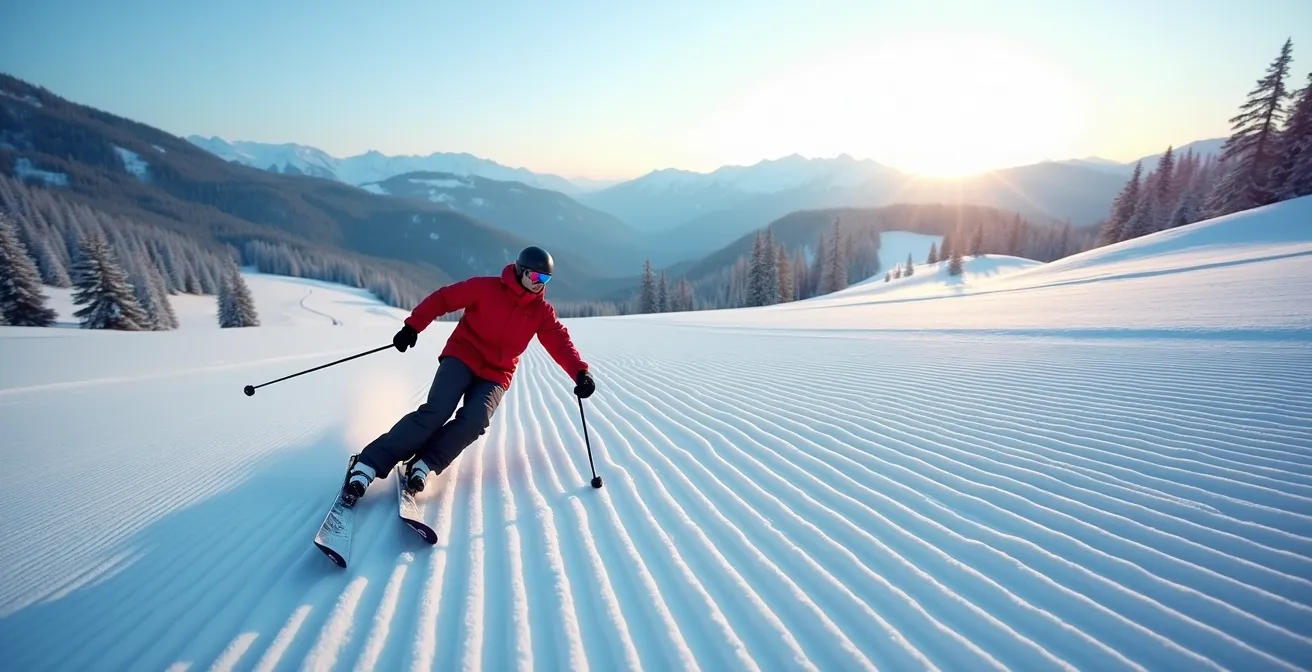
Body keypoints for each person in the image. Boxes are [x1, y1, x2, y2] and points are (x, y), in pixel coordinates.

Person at [341, 245, 595, 503]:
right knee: (437, 411)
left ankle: (425, 464)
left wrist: (579, 373)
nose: (539, 284)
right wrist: (413, 326)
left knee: (475, 420)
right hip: (463, 354)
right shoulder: (486, 288)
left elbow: (559, 341)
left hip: (498, 372)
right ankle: (368, 464)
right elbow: (444, 299)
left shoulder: (541, 312)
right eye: (535, 276)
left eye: (545, 279)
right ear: (520, 271)